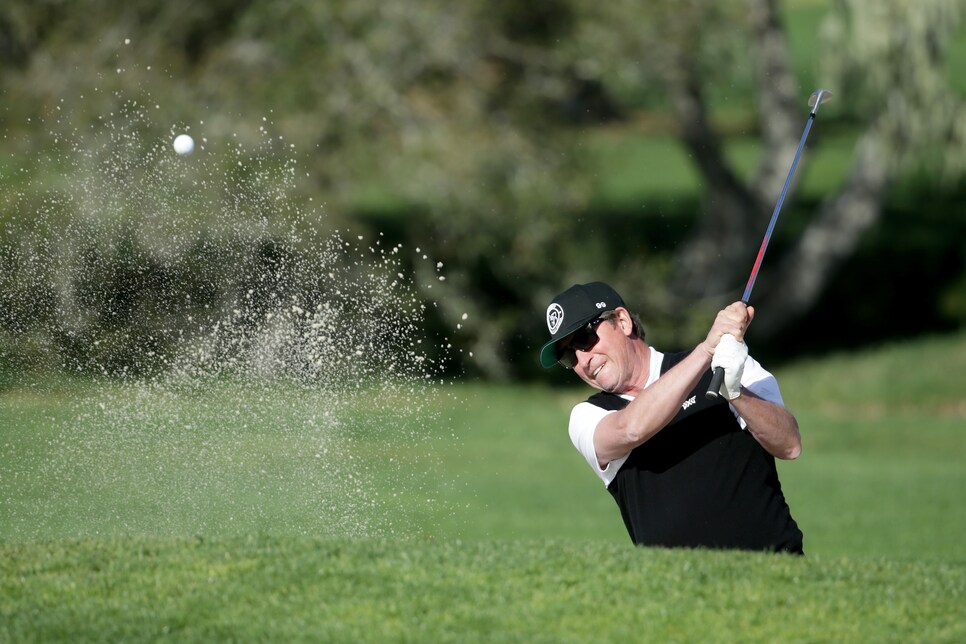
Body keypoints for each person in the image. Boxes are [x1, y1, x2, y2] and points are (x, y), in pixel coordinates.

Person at [540, 281, 804, 554]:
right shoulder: (589, 415)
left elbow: (790, 444)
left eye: (585, 338)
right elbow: (630, 429)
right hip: (680, 590)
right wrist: (706, 351)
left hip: (775, 568)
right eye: (569, 356)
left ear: (622, 321)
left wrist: (735, 391)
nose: (583, 360)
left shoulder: (725, 363)